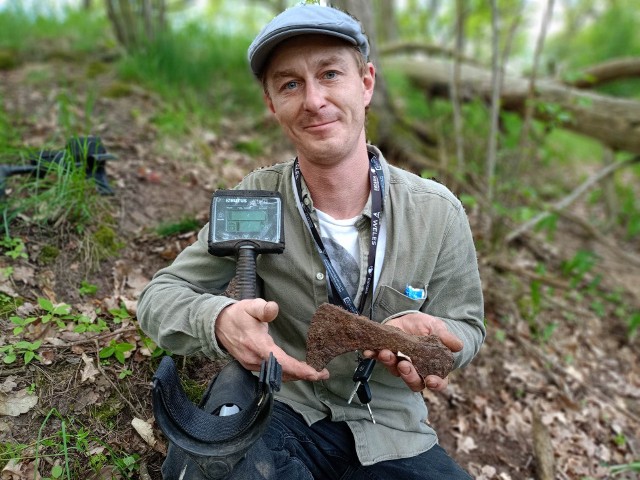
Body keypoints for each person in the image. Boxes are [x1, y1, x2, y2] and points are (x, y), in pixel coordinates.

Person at [137, 4, 485, 479]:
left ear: (365, 83)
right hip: (280, 407)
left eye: (330, 74)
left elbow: (467, 325)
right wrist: (218, 321)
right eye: (290, 84)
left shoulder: (436, 213)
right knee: (212, 468)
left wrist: (445, 341)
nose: (314, 100)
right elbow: (159, 297)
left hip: (392, 432)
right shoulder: (256, 199)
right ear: (271, 103)